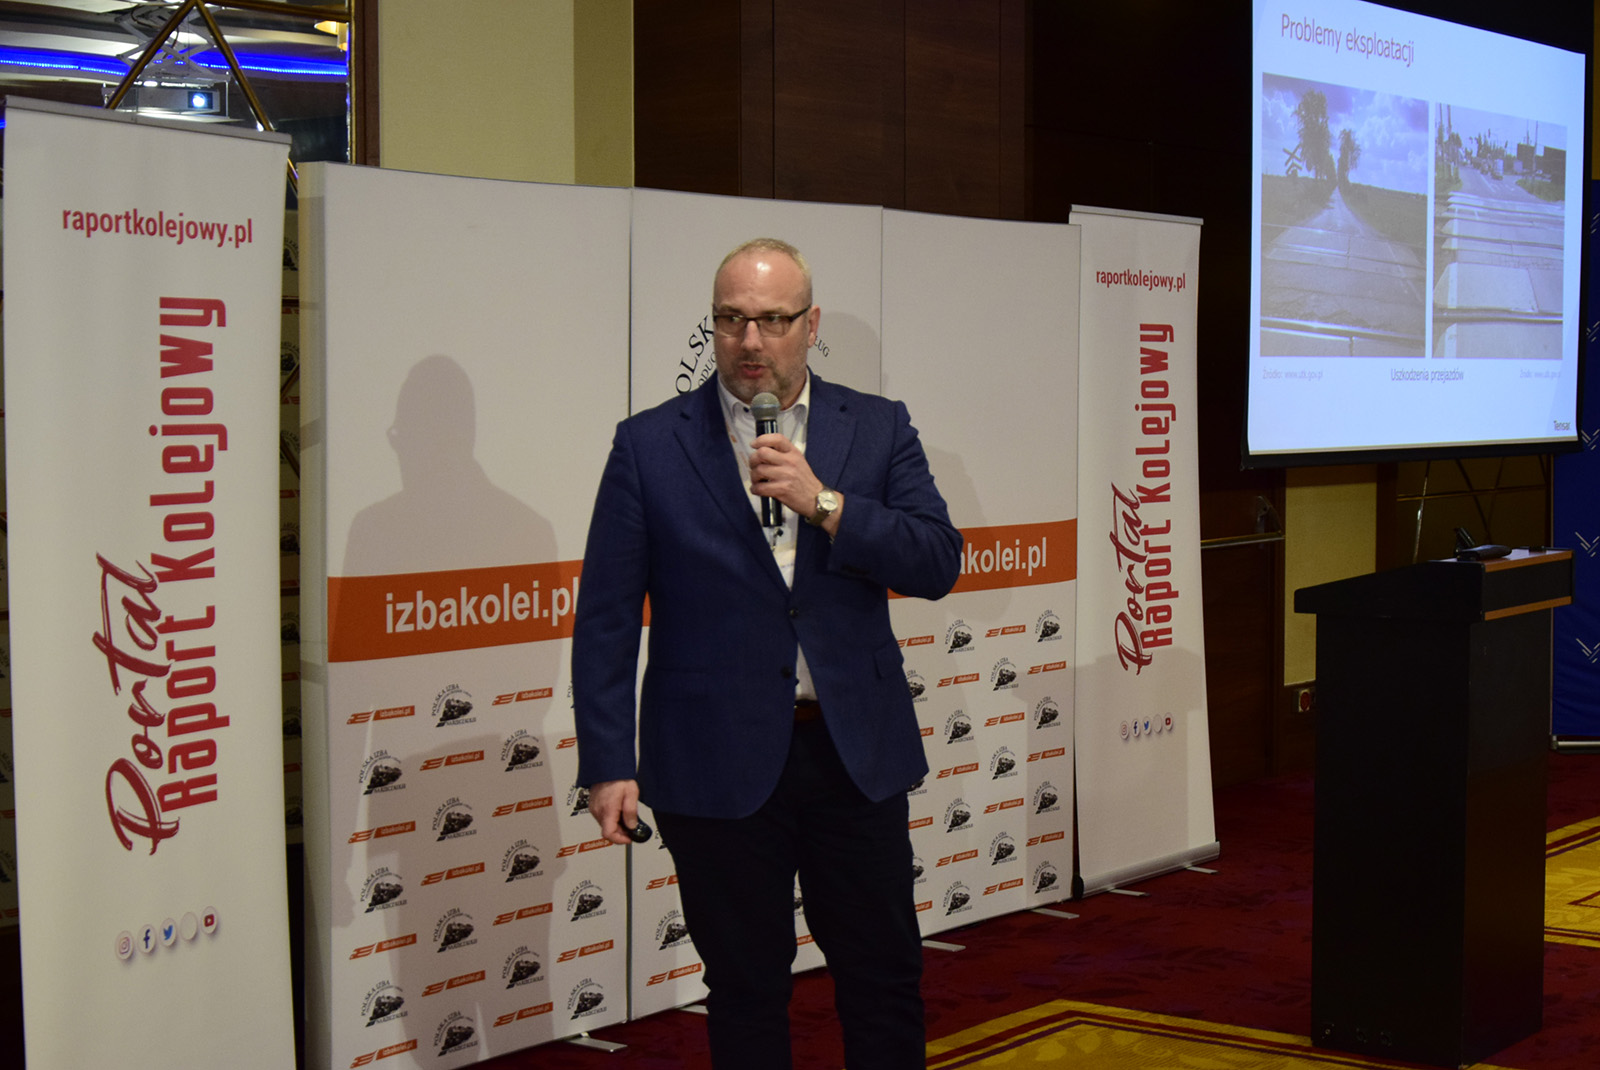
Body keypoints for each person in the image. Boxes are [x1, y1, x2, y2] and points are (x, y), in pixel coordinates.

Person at [572, 237, 962, 1068]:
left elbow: (937, 562)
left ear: (811, 325)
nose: (751, 342)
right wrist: (607, 762)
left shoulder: (877, 428)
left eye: (773, 321)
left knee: (883, 980)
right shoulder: (649, 445)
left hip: (850, 754)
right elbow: (606, 615)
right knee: (744, 991)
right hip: (714, 759)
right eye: (731, 319)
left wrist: (827, 504)